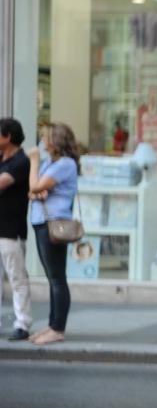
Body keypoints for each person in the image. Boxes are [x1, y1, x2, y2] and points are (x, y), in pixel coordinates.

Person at [27, 122, 80, 345]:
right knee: (52, 277)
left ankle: (58, 328)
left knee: (57, 278)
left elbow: (36, 186)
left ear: (55, 141)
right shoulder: (53, 163)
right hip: (42, 221)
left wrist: (34, 161)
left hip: (54, 224)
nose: (42, 141)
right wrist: (37, 188)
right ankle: (51, 324)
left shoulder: (65, 164)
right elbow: (32, 191)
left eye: (45, 137)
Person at [0, 117, 33, 341]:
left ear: (8, 137)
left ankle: (23, 323)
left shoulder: (21, 162)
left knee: (16, 278)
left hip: (11, 230)